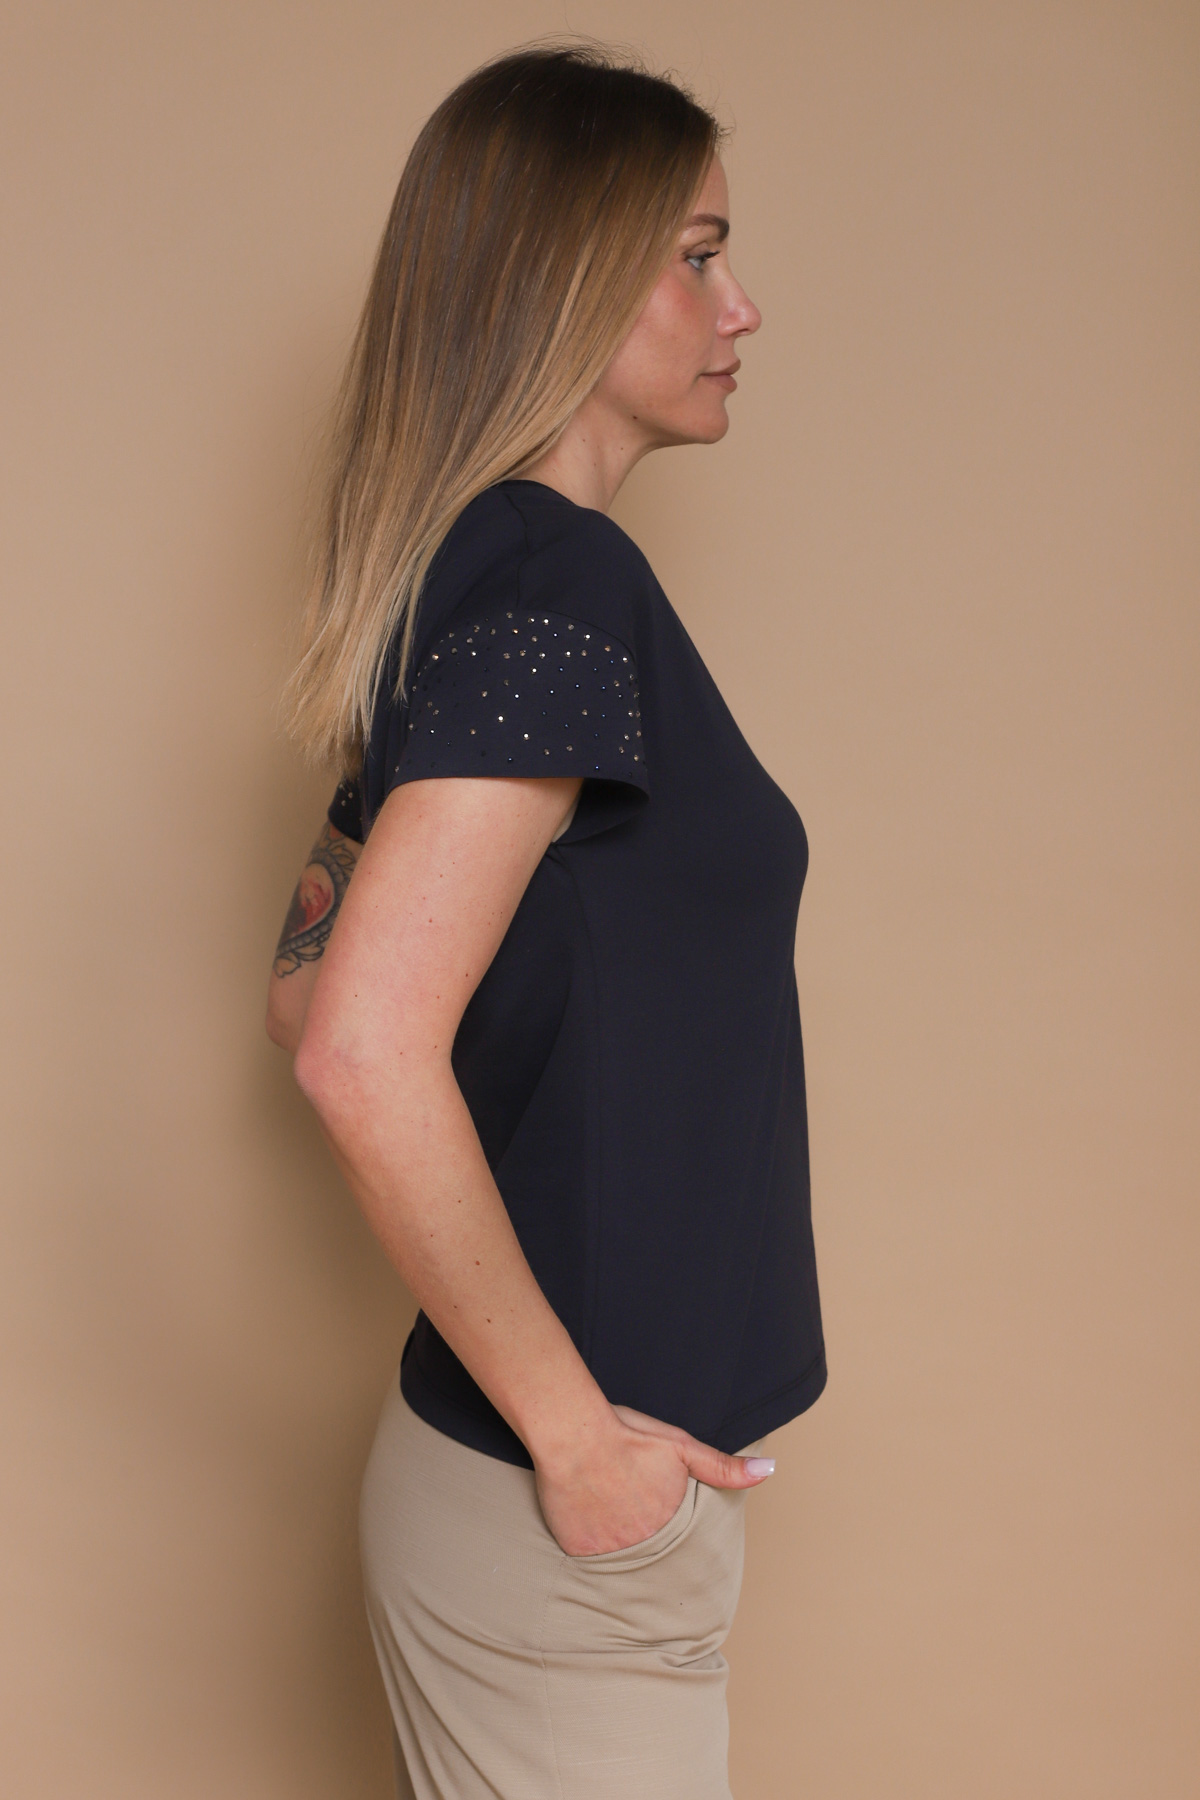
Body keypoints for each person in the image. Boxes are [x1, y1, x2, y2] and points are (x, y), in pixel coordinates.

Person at [266, 42, 826, 1800]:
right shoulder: (556, 589)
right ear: (564, 283)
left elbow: (307, 993)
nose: (742, 305)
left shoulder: (477, 581)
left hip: (529, 1499)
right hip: (555, 1510)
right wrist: (578, 1443)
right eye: (697, 255)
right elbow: (357, 1050)